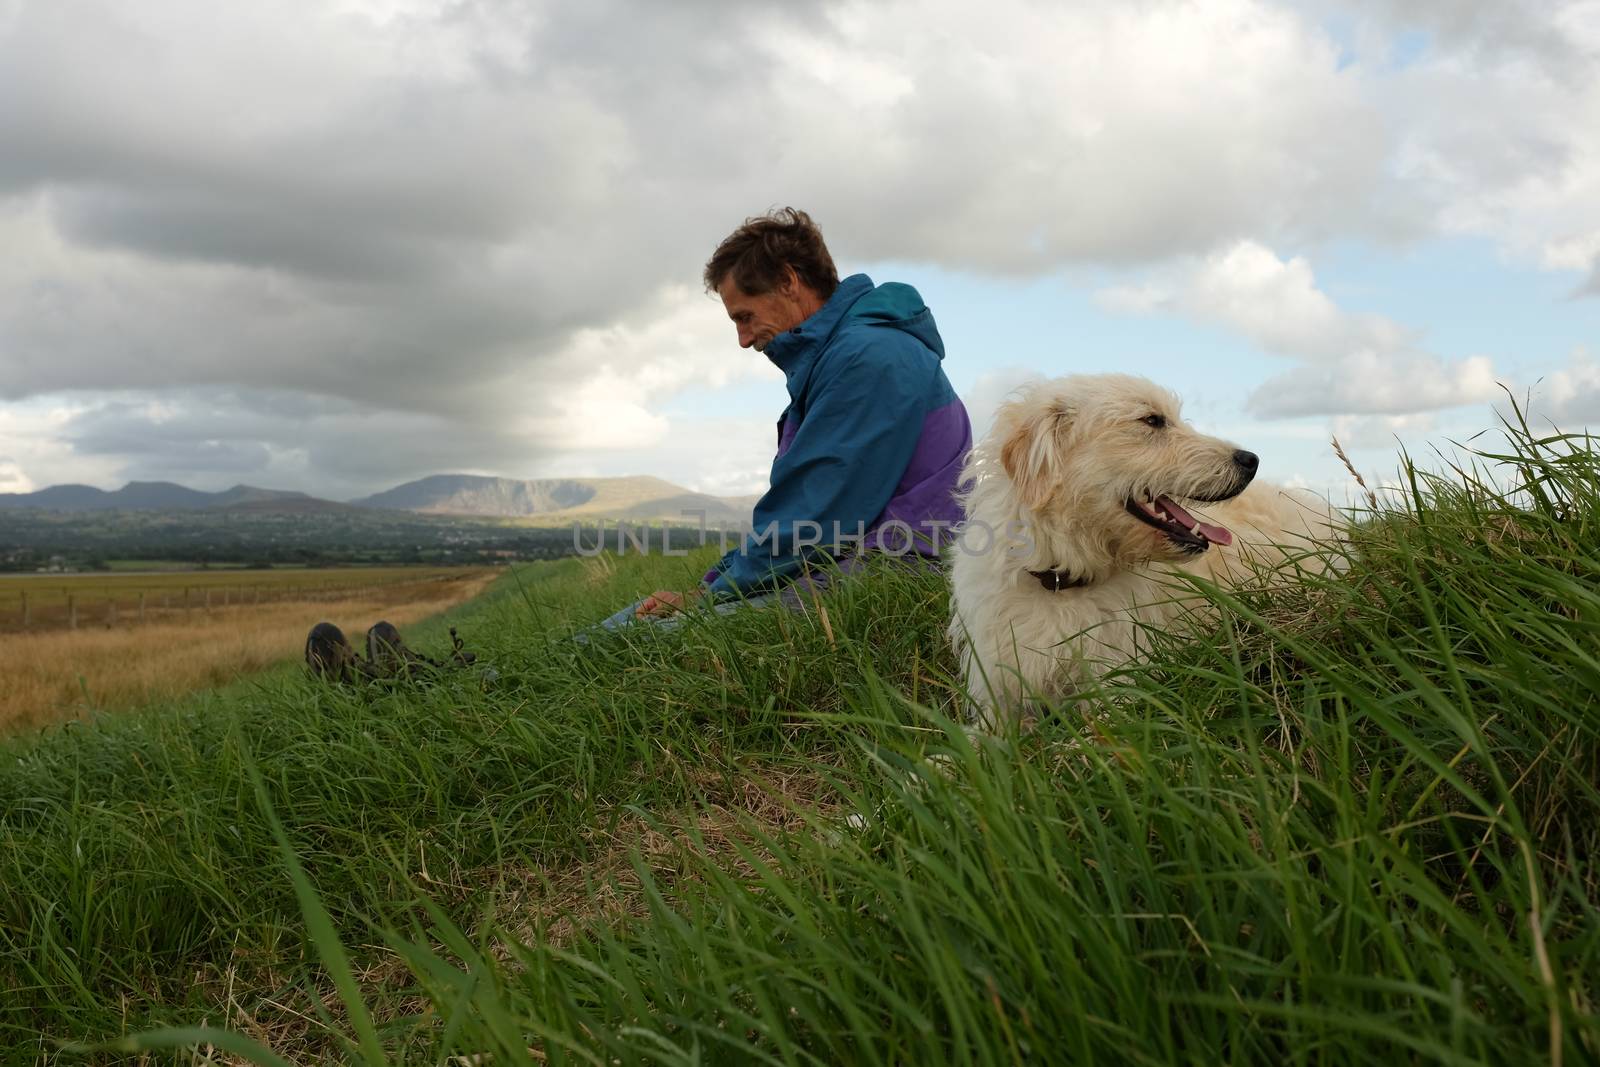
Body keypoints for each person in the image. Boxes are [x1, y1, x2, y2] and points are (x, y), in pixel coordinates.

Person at [600, 206, 971, 631]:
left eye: (744, 316)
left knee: (661, 638)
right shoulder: (842, 358)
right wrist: (710, 586)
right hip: (866, 556)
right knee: (639, 624)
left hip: (903, 565)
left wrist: (705, 599)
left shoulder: (868, 358)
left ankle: (518, 680)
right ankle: (515, 678)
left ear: (789, 282)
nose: (742, 339)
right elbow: (801, 515)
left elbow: (814, 519)